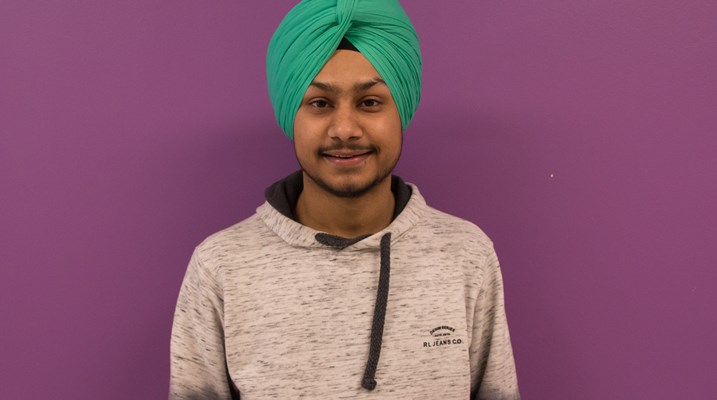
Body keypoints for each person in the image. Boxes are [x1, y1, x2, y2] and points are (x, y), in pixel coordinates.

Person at [169, 0, 520, 399]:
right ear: (291, 115)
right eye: (320, 103)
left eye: (370, 102)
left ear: (400, 109)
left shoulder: (465, 254)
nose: (345, 129)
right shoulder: (221, 266)